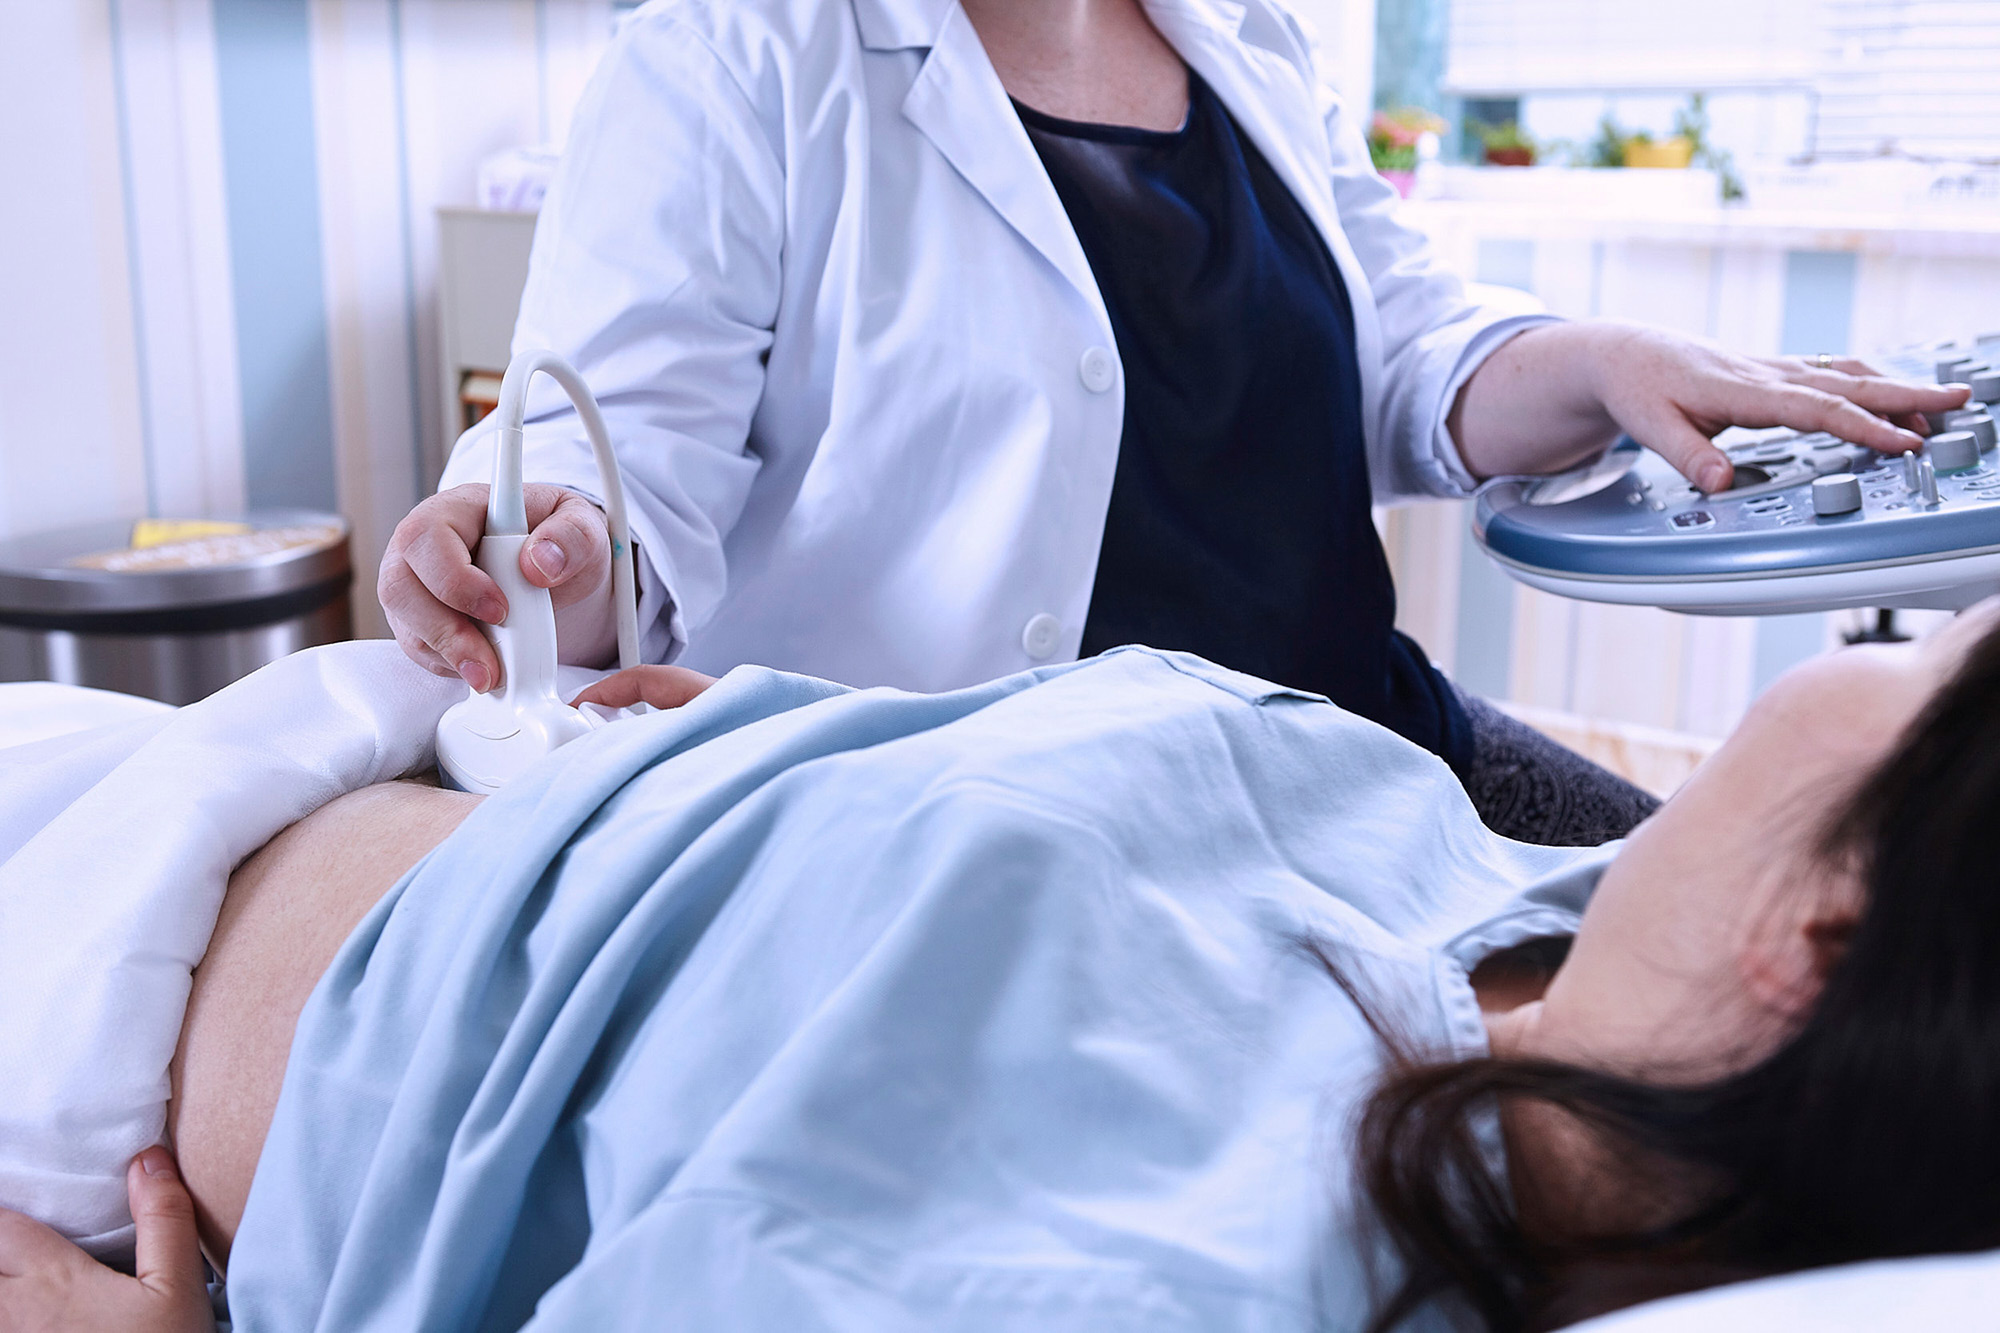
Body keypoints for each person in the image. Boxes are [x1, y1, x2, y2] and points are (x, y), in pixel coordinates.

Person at [7, 599, 2000, 1331]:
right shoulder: (1550, 931)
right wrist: (814, 763)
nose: (1861, 652)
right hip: (364, 758)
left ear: (1815, 942)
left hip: (94, 977)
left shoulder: (1120, 1274)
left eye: (1913, 661)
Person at [377, 0, 1969, 848]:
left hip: (1367, 749)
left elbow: (1403, 343)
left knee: (1799, 940)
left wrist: (1603, 354)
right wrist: (542, 551)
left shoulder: (1249, 35)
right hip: (1039, 837)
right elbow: (607, 479)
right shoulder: (729, 60)